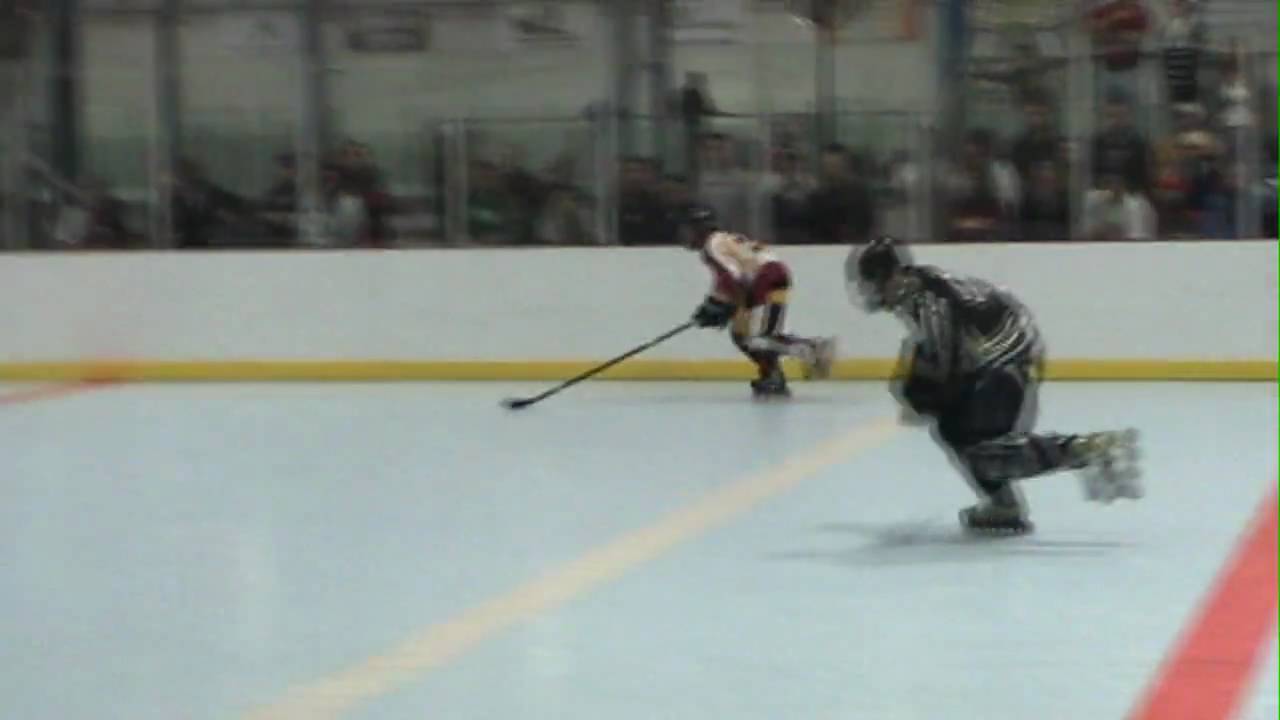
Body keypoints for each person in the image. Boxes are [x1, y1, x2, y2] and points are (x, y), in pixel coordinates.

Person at [845, 236, 1143, 534]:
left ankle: (1082, 450)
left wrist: (920, 396)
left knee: (983, 450)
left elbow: (943, 367)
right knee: (956, 431)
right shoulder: (923, 285)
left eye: (874, 281)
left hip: (1003, 363)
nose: (871, 290)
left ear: (894, 276)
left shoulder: (930, 304)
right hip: (1004, 356)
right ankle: (1006, 502)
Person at [685, 206, 836, 398]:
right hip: (771, 274)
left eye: (689, 229)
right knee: (741, 334)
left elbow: (733, 277)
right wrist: (714, 304)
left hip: (765, 278)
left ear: (700, 229)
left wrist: (721, 307)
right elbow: (730, 278)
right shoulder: (723, 240)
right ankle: (771, 375)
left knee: (760, 339)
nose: (686, 235)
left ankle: (813, 348)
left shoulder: (711, 245)